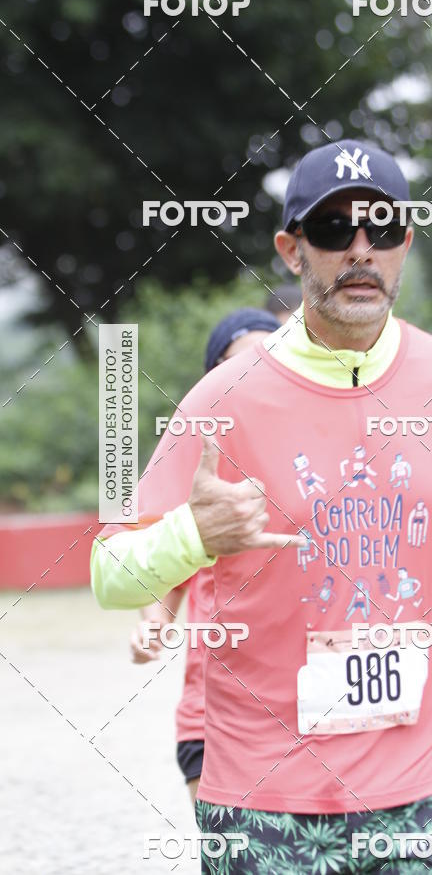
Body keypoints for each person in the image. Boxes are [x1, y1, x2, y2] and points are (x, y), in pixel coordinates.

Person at [92, 140, 432, 874]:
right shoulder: (222, 397)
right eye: (333, 230)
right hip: (261, 798)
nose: (361, 250)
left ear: (407, 242)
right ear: (291, 250)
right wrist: (191, 533)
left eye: (383, 229)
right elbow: (108, 572)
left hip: (417, 792)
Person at [128, 308, 282, 803]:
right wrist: (154, 622)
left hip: (314, 708)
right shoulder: (193, 468)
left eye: (270, 357)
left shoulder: (318, 456)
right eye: (240, 364)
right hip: (214, 712)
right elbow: (161, 567)